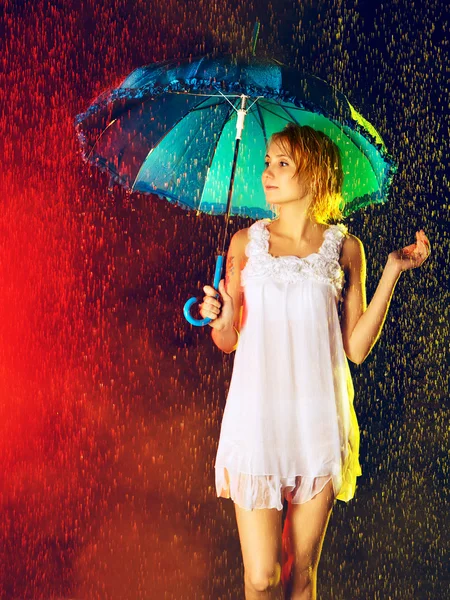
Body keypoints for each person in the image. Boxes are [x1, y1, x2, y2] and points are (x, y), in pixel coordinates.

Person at [199, 123, 431, 600]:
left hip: (317, 421)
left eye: (283, 163)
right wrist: (220, 316)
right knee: (262, 576)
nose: (268, 173)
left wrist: (392, 270)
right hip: (258, 421)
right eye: (267, 162)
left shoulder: (345, 248)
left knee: (299, 576)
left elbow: (356, 347)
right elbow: (229, 339)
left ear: (317, 174)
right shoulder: (245, 244)